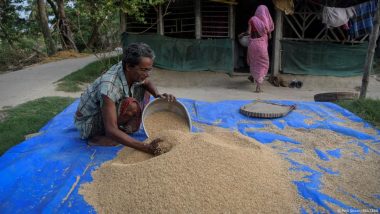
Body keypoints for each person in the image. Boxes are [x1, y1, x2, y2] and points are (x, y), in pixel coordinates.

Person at [74, 42, 175, 155]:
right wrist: (146, 148)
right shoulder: (109, 85)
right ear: (128, 66)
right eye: (144, 70)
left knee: (145, 88)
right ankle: (100, 137)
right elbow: (111, 129)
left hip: (104, 111)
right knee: (131, 105)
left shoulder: (130, 70)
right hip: (88, 124)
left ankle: (122, 130)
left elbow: (147, 82)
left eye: (149, 69)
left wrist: (157, 95)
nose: (147, 74)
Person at [244, 5, 274, 93]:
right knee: (264, 64)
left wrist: (242, 34)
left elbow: (248, 32)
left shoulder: (252, 19)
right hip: (262, 46)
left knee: (254, 63)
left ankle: (253, 77)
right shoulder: (266, 24)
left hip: (252, 45)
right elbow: (269, 37)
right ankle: (258, 86)